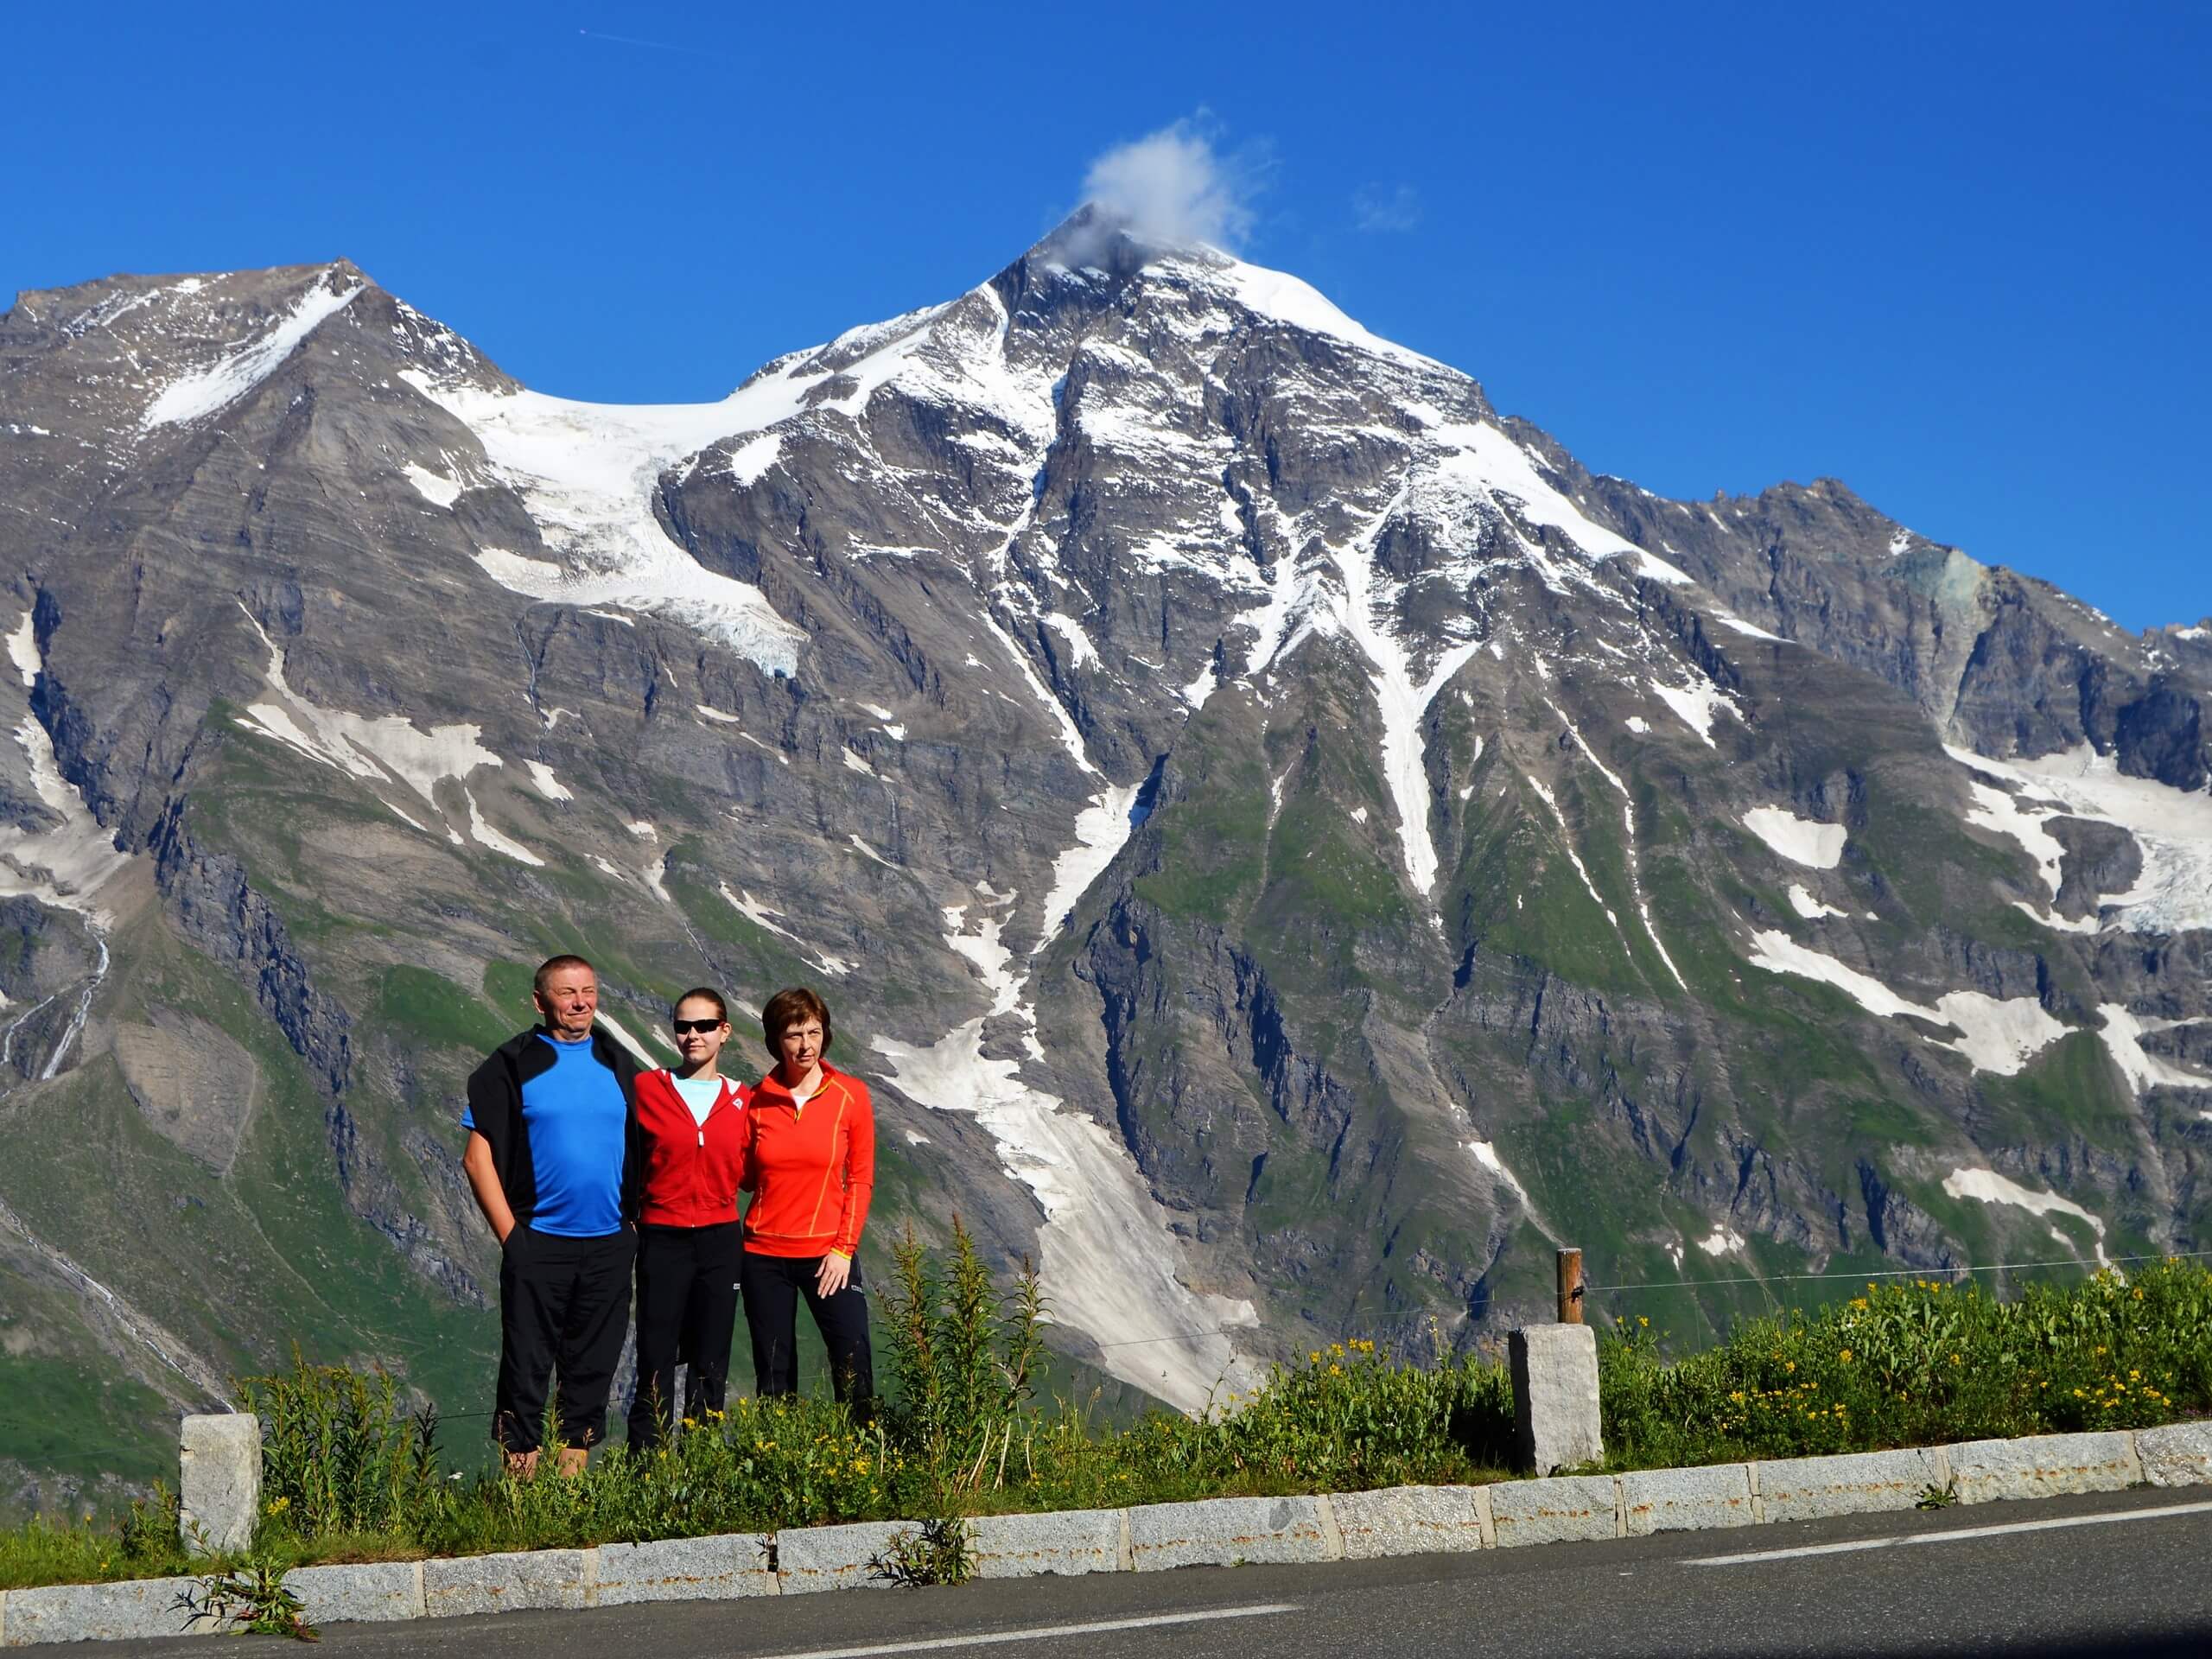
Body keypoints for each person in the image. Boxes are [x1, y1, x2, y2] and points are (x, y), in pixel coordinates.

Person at [461, 954, 642, 1475]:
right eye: (567, 993)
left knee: (592, 1368)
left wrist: (632, 1227)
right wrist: (513, 1238)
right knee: (526, 1366)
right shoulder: (511, 1065)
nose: (580, 1002)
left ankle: (568, 1500)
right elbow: (478, 1159)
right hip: (538, 1242)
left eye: (588, 990)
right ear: (540, 1001)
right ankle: (522, 1502)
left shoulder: (619, 1060)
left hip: (609, 1243)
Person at [626, 988, 750, 1449]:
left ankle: (701, 1464)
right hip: (662, 1237)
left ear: (724, 1032)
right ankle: (645, 1470)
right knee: (655, 1358)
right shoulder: (647, 1089)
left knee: (710, 1358)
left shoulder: (744, 1100)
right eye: (683, 1026)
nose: (692, 1035)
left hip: (720, 1239)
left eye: (703, 1026)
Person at [740, 986, 875, 1408]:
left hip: (828, 1255)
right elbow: (742, 1176)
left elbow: (861, 1179)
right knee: (774, 1374)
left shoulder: (850, 1096)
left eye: (814, 1033)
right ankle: (780, 1461)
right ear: (776, 1041)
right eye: (794, 1035)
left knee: (853, 1363)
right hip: (763, 1255)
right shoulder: (755, 1102)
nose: (806, 1046)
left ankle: (865, 1455)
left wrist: (843, 1250)